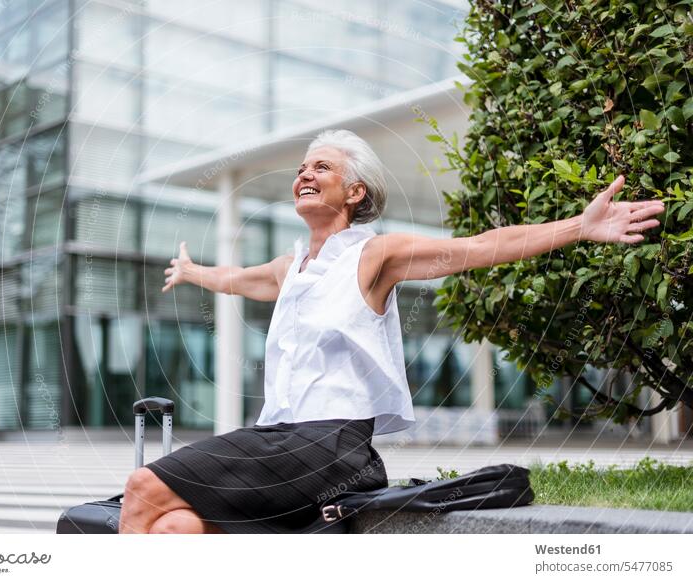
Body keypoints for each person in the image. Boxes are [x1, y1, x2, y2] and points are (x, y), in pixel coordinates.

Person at [118, 129, 665, 534]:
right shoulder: (294, 269)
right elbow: (241, 280)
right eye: (302, 168)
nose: (304, 175)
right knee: (174, 530)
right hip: (281, 440)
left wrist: (580, 227)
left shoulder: (375, 254)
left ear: (355, 193)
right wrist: (193, 273)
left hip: (331, 446)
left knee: (144, 485)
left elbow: (479, 248)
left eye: (322, 168)